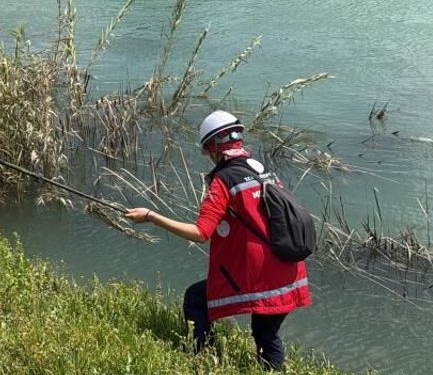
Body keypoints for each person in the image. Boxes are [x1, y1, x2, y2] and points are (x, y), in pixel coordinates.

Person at [125, 110, 310, 370]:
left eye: (207, 151)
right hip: (291, 268)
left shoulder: (223, 181)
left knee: (196, 299)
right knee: (267, 335)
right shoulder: (263, 171)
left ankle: (203, 361)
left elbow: (200, 233)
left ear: (213, 147)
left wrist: (151, 216)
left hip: (260, 275)